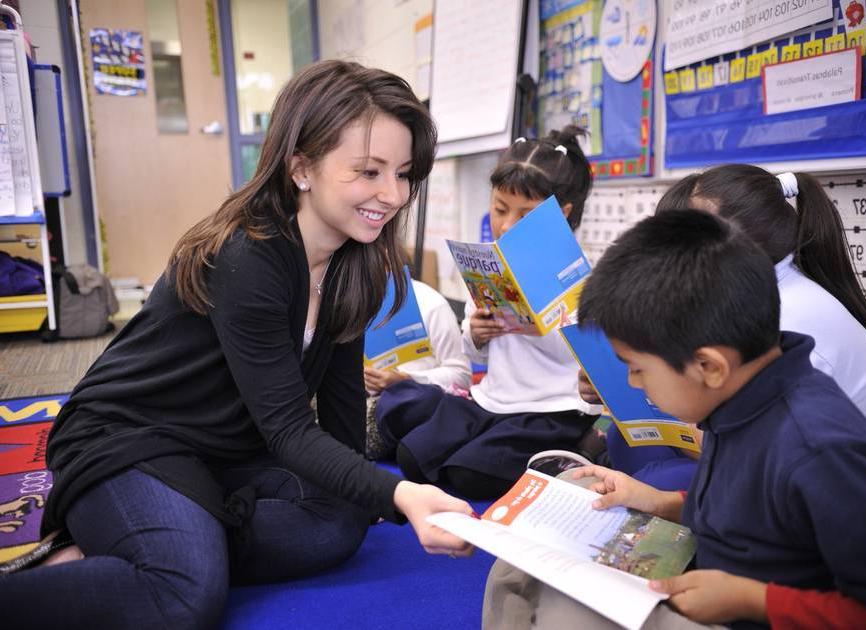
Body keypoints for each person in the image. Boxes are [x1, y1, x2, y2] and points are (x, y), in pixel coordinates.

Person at [0, 60, 474, 629]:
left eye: (403, 174)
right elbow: (289, 430)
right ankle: (145, 556)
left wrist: (370, 496)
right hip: (129, 438)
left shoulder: (357, 262)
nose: (393, 194)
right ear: (302, 167)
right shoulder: (251, 257)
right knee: (184, 599)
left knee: (344, 518)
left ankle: (156, 545)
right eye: (369, 172)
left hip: (224, 447)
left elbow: (344, 414)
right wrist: (403, 497)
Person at [483, 209, 866, 629]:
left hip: (753, 609)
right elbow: (748, 513)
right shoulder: (738, 399)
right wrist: (660, 501)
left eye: (638, 367)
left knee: (566, 613)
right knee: (520, 561)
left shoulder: (819, 450)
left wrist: (754, 599)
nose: (633, 382)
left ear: (708, 367)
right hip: (720, 579)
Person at [595, 164, 866, 524]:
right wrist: (625, 387)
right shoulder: (748, 295)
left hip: (854, 516)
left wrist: (659, 488)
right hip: (773, 462)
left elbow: (749, 450)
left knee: (652, 482)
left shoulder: (787, 322)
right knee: (624, 441)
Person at [375, 126, 600, 500]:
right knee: (412, 457)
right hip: (491, 398)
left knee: (468, 475)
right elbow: (475, 354)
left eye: (525, 214)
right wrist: (477, 333)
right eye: (499, 209)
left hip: (552, 410)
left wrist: (536, 325)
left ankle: (584, 450)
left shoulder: (581, 277)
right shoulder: (492, 263)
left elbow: (584, 363)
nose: (507, 224)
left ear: (562, 213)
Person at [363, 269, 471, 459]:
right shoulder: (346, 298)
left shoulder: (429, 302)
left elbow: (461, 376)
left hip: (404, 400)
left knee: (421, 400)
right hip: (356, 398)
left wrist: (405, 378)